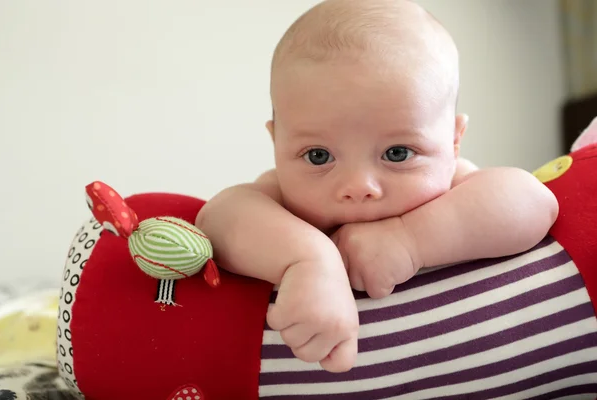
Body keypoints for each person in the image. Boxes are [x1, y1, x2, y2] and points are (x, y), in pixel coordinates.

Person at [195, 0, 558, 374]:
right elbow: (218, 218)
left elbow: (534, 201)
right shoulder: (283, 203)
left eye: (397, 153)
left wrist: (410, 239)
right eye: (318, 156)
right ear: (277, 145)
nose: (358, 186)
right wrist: (306, 260)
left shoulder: (456, 186)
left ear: (453, 141)